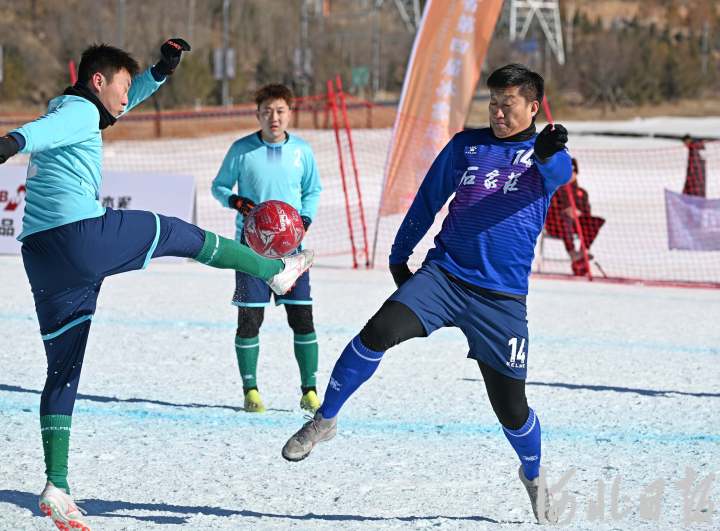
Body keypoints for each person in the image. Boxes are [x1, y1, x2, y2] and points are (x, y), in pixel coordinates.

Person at [0, 42, 313, 531]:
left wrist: (159, 72)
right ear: (99, 82)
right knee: (176, 232)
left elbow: (76, 117)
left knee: (62, 371)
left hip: (41, 258)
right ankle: (273, 270)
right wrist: (11, 143)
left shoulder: (73, 104)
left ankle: (56, 485)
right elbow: (42, 133)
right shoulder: (79, 111)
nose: (127, 98)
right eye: (123, 87)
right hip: (79, 236)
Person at [281, 64, 572, 525]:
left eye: (508, 104)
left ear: (533, 107)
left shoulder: (541, 156)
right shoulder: (466, 145)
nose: (497, 112)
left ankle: (534, 476)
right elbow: (428, 198)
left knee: (512, 411)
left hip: (501, 300)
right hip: (445, 277)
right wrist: (401, 254)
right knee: (378, 331)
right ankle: (326, 419)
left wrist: (550, 149)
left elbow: (560, 170)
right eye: (493, 103)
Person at [211, 84, 322, 414]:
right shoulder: (242, 150)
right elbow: (218, 186)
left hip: (293, 250)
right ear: (257, 114)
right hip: (251, 249)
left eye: (280, 111)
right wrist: (235, 200)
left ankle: (310, 391)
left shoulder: (302, 151)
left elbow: (313, 190)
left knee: (302, 318)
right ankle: (251, 390)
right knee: (250, 320)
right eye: (267, 111)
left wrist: (304, 219)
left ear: (290, 113)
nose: (274, 117)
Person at [544, 157, 605, 276]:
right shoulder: (554, 189)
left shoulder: (582, 192)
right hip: (557, 225)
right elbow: (550, 211)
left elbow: (587, 212)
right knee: (566, 219)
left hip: (576, 225)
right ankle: (573, 253)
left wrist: (579, 213)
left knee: (596, 221)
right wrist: (566, 211)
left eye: (573, 171)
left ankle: (583, 251)